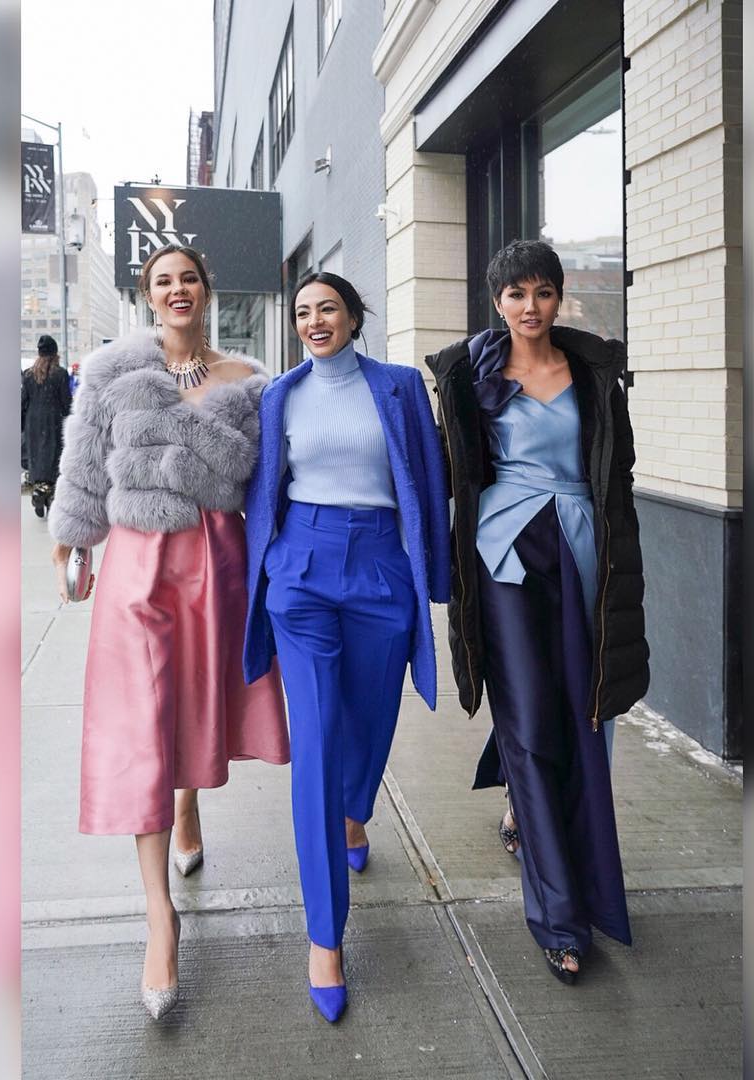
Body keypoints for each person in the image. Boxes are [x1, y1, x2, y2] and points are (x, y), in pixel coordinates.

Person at [48, 243, 290, 1020]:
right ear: (147, 295)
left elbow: (274, 486)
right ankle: (161, 919)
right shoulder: (112, 370)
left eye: (188, 277)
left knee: (190, 707)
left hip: (217, 567)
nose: (177, 289)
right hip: (136, 564)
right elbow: (85, 464)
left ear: (206, 289)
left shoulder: (250, 381)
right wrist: (72, 539)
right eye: (162, 281)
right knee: (138, 730)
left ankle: (187, 805)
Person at [426, 239, 649, 984]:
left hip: (582, 550)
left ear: (559, 298)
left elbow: (617, 474)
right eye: (516, 294)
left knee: (585, 720)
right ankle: (558, 919)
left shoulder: (593, 375)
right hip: (504, 554)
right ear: (498, 302)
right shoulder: (472, 377)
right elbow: (446, 469)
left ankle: (557, 849)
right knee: (526, 722)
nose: (530, 306)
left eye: (543, 292)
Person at [243, 272, 450, 1022]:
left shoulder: (398, 386)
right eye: (302, 311)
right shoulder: (280, 396)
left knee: (370, 719)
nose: (314, 320)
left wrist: (437, 576)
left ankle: (354, 811)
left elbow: (430, 481)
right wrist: (271, 562)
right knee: (318, 739)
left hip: (381, 566)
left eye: (327, 308)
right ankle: (325, 937)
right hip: (302, 566)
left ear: (355, 318)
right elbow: (263, 487)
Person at [21, 335, 72, 517]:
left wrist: (21, 426)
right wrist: (70, 420)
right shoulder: (60, 374)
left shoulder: (28, 375)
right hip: (54, 423)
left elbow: (23, 402)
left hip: (33, 424)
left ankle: (39, 491)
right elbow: (66, 403)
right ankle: (49, 497)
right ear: (55, 353)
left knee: (37, 460)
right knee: (53, 461)